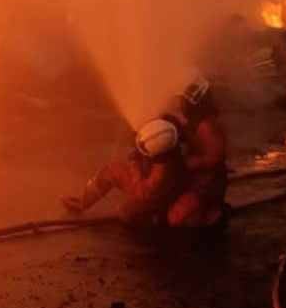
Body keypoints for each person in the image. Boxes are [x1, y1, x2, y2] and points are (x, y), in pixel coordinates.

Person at [62, 119, 185, 227]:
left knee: (125, 213)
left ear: (157, 154)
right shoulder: (166, 136)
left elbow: (141, 192)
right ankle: (84, 202)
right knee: (111, 171)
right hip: (154, 181)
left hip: (153, 193)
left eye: (144, 149)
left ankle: (155, 215)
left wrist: (134, 166)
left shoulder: (159, 175)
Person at [165, 76, 229, 228]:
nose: (181, 105)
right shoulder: (193, 123)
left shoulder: (207, 126)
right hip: (195, 180)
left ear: (196, 102)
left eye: (183, 101)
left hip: (207, 184)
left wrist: (190, 163)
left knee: (176, 218)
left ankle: (212, 213)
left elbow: (215, 158)